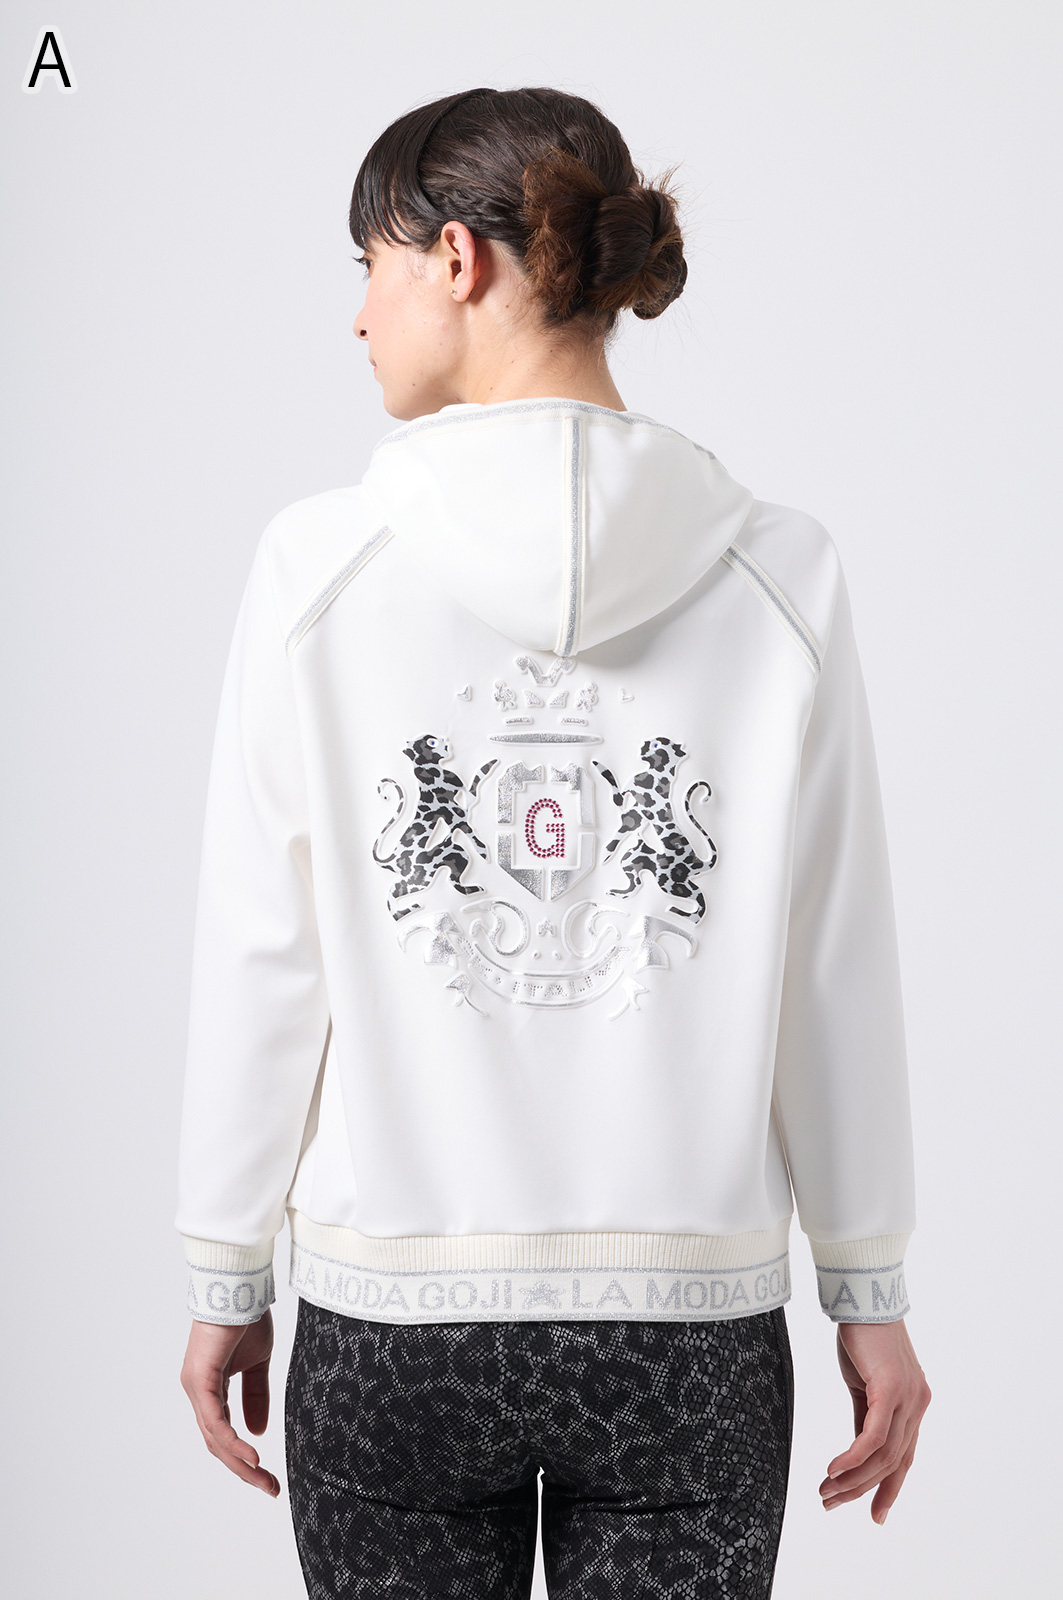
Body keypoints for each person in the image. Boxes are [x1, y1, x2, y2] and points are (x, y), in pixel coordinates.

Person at [176, 85, 931, 1599]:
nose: (359, 315)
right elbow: (830, 958)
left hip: (396, 1317)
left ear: (457, 260)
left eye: (370, 265)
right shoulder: (782, 574)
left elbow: (268, 948)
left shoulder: (319, 569)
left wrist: (224, 1266)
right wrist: (868, 1285)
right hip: (691, 1326)